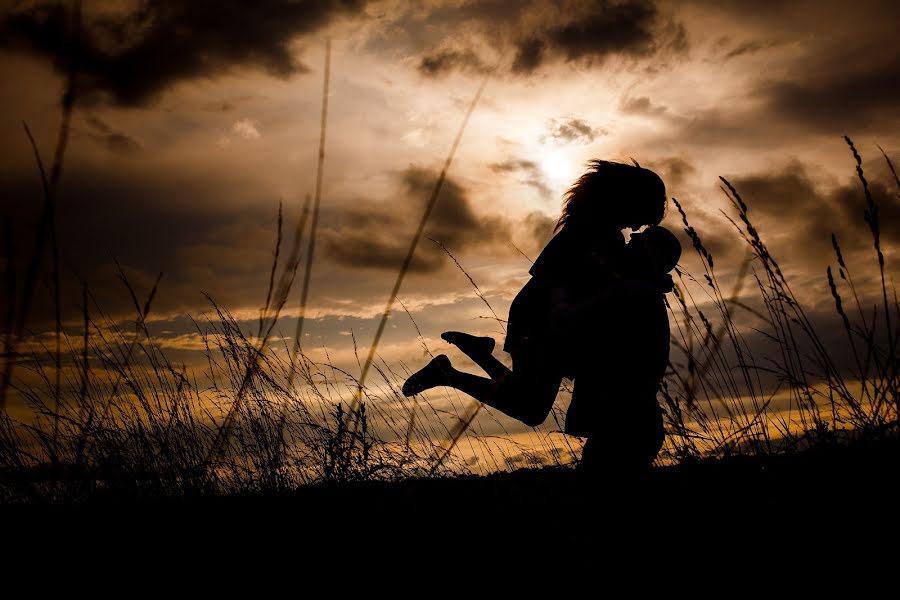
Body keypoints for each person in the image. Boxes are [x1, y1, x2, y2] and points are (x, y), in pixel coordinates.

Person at [401, 160, 673, 470]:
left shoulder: (595, 229)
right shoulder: (593, 231)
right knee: (530, 407)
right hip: (542, 319)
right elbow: (554, 276)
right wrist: (561, 318)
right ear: (631, 201)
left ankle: (474, 357)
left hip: (545, 317)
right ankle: (448, 374)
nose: (638, 228)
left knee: (527, 401)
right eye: (642, 216)